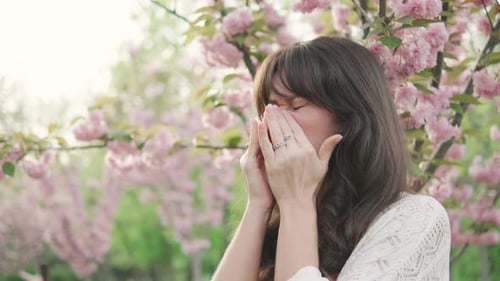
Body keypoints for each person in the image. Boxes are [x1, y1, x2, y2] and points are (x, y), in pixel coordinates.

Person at [211, 36, 451, 281]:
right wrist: (259, 205)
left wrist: (296, 199)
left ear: (350, 120)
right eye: (269, 107)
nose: (271, 121)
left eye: (294, 107)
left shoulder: (415, 218)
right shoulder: (282, 225)